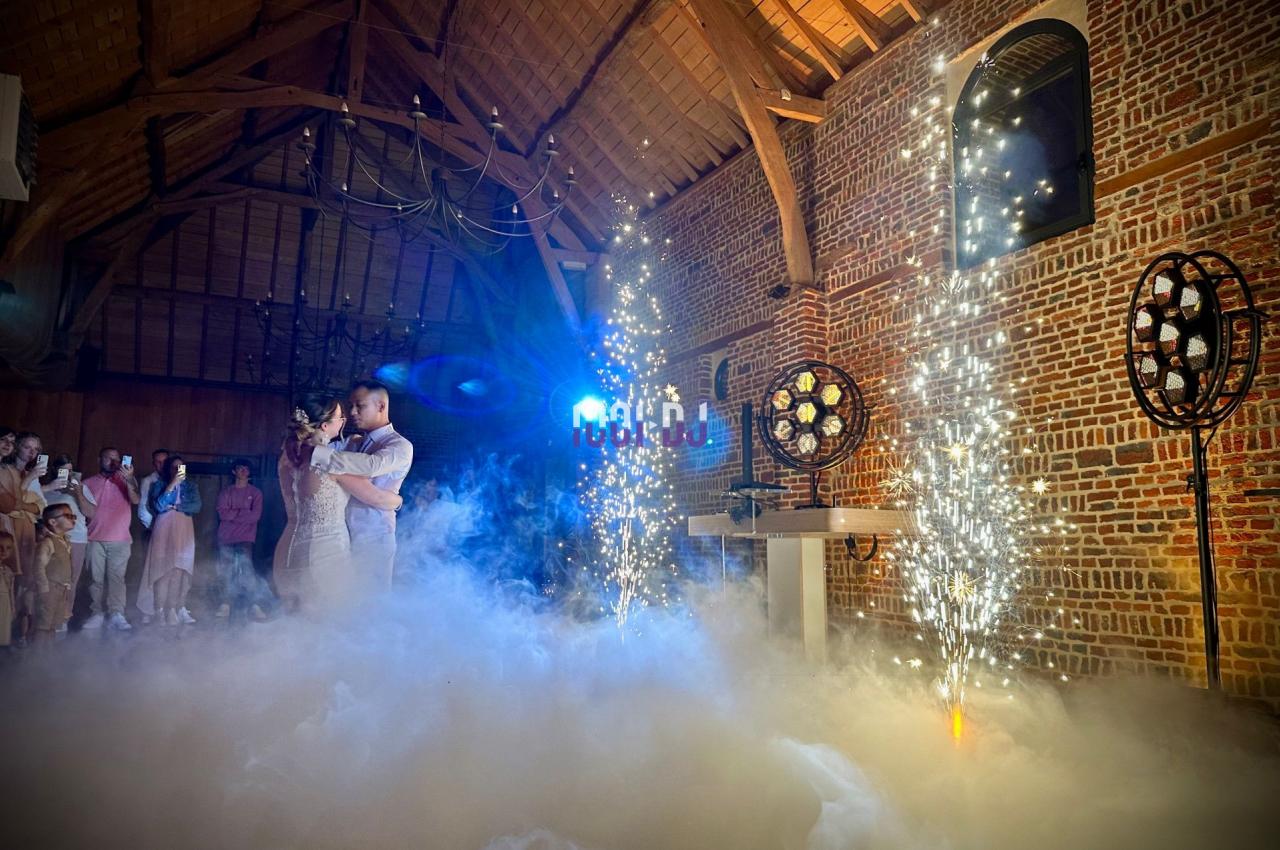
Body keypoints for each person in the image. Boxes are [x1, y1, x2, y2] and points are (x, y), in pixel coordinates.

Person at [274, 394, 403, 613]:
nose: (345, 421)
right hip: (323, 555)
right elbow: (378, 497)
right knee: (327, 632)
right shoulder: (329, 461)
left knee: (293, 630)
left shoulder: (287, 456)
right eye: (341, 417)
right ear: (325, 425)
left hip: (286, 551)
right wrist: (399, 500)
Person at [308, 381, 413, 590]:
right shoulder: (354, 442)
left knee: (371, 605)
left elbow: (371, 467)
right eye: (351, 406)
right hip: (341, 536)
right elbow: (316, 446)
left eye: (360, 405)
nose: (353, 412)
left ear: (381, 406)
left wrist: (318, 456)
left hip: (375, 536)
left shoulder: (400, 445)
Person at [75, 447, 140, 630]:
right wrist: (78, 491)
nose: (113, 462)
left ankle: (116, 613)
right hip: (94, 537)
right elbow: (86, 511)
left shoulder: (126, 480)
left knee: (117, 578)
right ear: (99, 460)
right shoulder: (87, 483)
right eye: (108, 458)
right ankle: (96, 613)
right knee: (95, 580)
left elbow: (135, 500)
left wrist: (129, 479)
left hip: (120, 538)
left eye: (116, 459)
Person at [137, 455, 201, 626]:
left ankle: (172, 608)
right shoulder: (159, 484)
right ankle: (158, 610)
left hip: (184, 528)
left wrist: (175, 507)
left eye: (181, 467)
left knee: (179, 571)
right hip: (164, 528)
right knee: (163, 570)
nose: (177, 470)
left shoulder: (191, 486)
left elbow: (196, 506)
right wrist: (172, 484)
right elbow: (158, 505)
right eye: (174, 467)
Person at [2, 430, 44, 643]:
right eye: (28, 447)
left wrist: (25, 506)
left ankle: (17, 631)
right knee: (6, 576)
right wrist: (26, 503)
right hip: (8, 529)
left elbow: (40, 507)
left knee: (23, 581)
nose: (32, 452)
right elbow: (9, 504)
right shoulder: (7, 470)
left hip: (26, 530)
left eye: (36, 449)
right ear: (18, 447)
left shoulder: (31, 474)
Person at [214, 458, 267, 620]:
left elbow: (255, 516)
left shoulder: (255, 493)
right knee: (226, 570)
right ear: (234, 471)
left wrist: (234, 513)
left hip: (246, 537)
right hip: (226, 536)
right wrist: (243, 512)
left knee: (247, 570)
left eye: (246, 469)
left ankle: (253, 605)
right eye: (240, 468)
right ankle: (225, 604)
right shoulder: (226, 492)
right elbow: (222, 514)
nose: (243, 471)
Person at [42, 455, 87, 631]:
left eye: (69, 470)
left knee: (70, 580)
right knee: (50, 578)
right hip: (51, 539)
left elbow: (91, 512)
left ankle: (64, 618)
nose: (66, 474)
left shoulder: (80, 488)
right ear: (54, 470)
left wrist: (77, 493)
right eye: (63, 470)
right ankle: (47, 617)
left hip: (75, 539)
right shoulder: (46, 488)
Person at [31, 503, 76, 643]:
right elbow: (38, 566)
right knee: (42, 625)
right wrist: (43, 588)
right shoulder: (48, 542)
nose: (73, 519)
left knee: (52, 625)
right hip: (49, 588)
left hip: (61, 589)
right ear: (53, 521)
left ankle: (48, 657)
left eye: (73, 516)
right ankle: (37, 656)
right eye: (68, 516)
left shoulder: (66, 542)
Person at [136, 448, 169, 531]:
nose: (162, 464)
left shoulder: (179, 480)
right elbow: (143, 507)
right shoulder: (148, 481)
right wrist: (153, 527)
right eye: (158, 462)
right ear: (154, 464)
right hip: (154, 526)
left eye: (165, 461)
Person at [0, 530, 15, 648]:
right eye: (0, 547)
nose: (4, 551)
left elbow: (11, 594)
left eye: (8, 548)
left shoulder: (8, 571)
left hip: (4, 611)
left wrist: (12, 610)